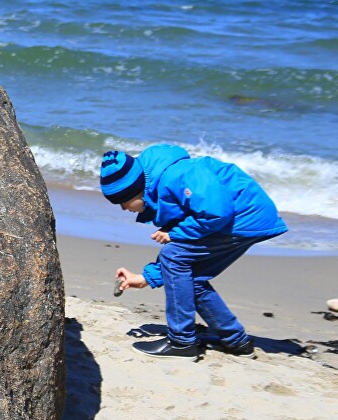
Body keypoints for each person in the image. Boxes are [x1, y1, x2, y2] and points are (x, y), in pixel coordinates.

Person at [100, 145, 287, 359]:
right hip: (236, 220)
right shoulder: (159, 186)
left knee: (173, 253)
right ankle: (236, 341)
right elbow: (181, 265)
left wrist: (176, 233)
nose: (124, 209)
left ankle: (181, 341)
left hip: (243, 217)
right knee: (191, 277)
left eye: (122, 202)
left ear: (134, 190)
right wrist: (145, 278)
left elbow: (217, 213)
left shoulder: (177, 175)